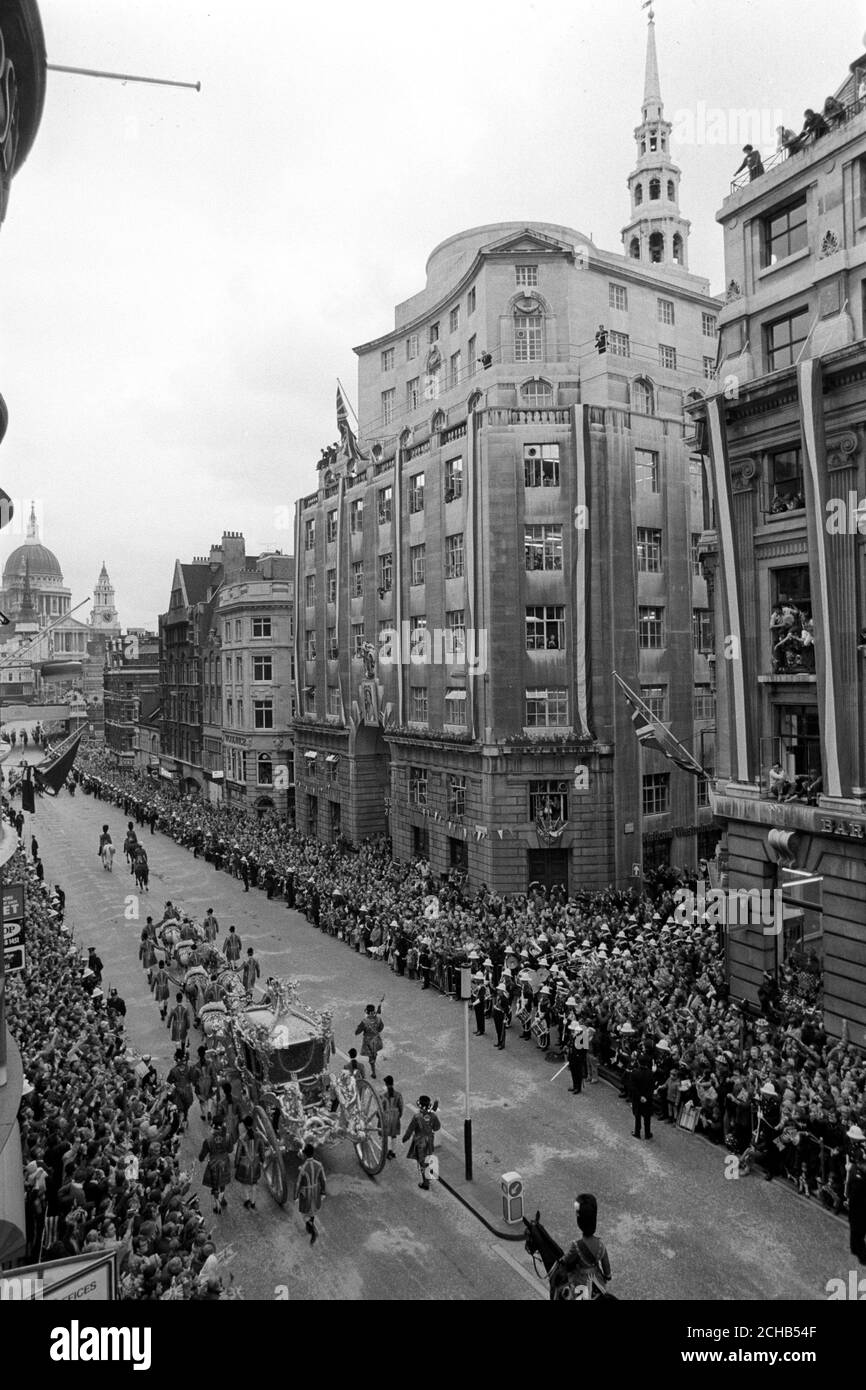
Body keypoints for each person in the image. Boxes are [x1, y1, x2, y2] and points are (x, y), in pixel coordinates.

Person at [556, 1193, 613, 1300]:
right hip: (598, 1281)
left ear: (580, 1222)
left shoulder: (576, 1245)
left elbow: (567, 1260)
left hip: (581, 1284)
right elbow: (606, 1265)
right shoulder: (600, 1244)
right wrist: (607, 1276)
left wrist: (561, 1260)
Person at [402, 1096, 441, 1190]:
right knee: (428, 1158)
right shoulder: (433, 1116)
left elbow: (410, 1130)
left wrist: (404, 1139)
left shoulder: (417, 1117)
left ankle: (425, 1183)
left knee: (422, 1162)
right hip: (430, 1141)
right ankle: (429, 1176)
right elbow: (437, 1127)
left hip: (420, 1142)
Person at [198, 1117, 232, 1215]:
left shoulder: (208, 1140)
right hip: (224, 1162)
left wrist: (201, 1158)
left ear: (213, 1125)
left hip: (213, 1163)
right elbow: (230, 1150)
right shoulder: (228, 1136)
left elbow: (201, 1156)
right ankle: (222, 1197)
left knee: (215, 1185)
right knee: (222, 1182)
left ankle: (217, 1206)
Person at [295, 1143, 326, 1244]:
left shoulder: (302, 1168)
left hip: (306, 1194)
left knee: (304, 1214)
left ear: (304, 1154)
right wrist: (323, 1192)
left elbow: (298, 1183)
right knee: (313, 1210)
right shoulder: (319, 1165)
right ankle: (311, 1222)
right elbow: (323, 1180)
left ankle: (311, 1227)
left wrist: (295, 1196)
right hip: (316, 1191)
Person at [234, 1116, 265, 1211]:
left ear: (245, 1125)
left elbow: (238, 1153)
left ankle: (247, 1200)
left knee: (245, 1183)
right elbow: (262, 1151)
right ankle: (253, 1202)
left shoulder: (242, 1138)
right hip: (255, 1164)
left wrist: (236, 1163)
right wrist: (262, 1160)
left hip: (244, 1164)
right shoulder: (259, 1136)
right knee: (254, 1184)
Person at [845, 1125, 866, 1265]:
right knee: (853, 1221)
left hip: (860, 1189)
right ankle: (856, 1248)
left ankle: (861, 1253)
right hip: (854, 1183)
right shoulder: (853, 1148)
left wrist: (852, 1168)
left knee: (858, 1222)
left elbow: (860, 1167)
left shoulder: (861, 1151)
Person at [355, 1002, 384, 1080]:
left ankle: (374, 1072)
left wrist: (360, 1027)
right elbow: (381, 1028)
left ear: (367, 1012)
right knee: (373, 1054)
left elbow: (357, 1032)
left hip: (368, 1041)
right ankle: (373, 1062)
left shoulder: (365, 1021)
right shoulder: (378, 1019)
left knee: (371, 1057)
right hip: (376, 1039)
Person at [630, 1052, 655, 1140]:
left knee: (637, 1116)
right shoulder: (651, 1073)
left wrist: (640, 1097)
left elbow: (633, 1087)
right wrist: (646, 1097)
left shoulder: (634, 1073)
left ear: (638, 1062)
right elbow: (652, 1088)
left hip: (637, 1098)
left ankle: (637, 1132)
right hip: (647, 1099)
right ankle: (647, 1133)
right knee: (647, 1117)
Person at [381, 1076, 404, 1160]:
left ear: (386, 1084)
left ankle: (388, 1151)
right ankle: (393, 1152)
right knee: (394, 1135)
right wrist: (399, 1115)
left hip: (387, 1116)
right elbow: (401, 1106)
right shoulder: (398, 1094)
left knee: (386, 1135)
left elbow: (381, 1108)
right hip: (395, 1116)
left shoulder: (384, 1095)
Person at [492, 985, 508, 1049]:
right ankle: (499, 1042)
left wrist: (499, 1008)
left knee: (501, 1031)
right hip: (496, 1015)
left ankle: (502, 1044)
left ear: (502, 991)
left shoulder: (505, 999)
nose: (498, 991)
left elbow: (506, 1010)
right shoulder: (499, 997)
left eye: (499, 990)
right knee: (498, 1030)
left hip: (501, 1016)